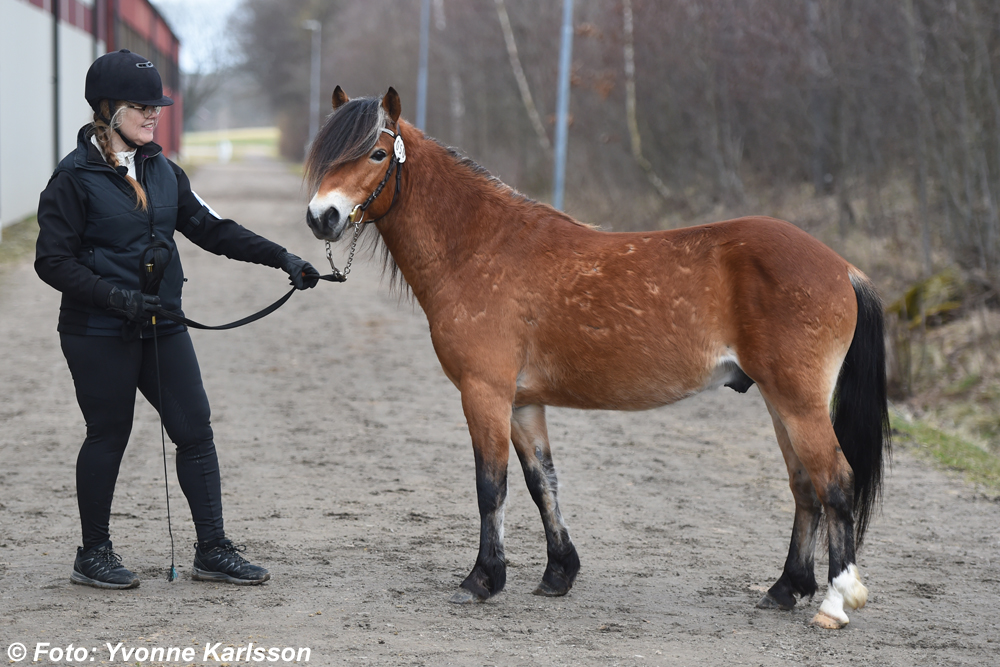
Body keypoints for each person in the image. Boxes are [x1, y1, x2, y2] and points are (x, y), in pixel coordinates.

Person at [35, 49, 320, 589]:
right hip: (98, 330)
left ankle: (212, 548)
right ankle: (92, 552)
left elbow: (213, 228)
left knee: (195, 430)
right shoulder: (72, 178)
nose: (153, 114)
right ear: (109, 108)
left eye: (157, 106)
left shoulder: (165, 171)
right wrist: (115, 298)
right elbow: (51, 260)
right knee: (108, 433)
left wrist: (282, 257)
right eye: (142, 106)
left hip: (162, 322)